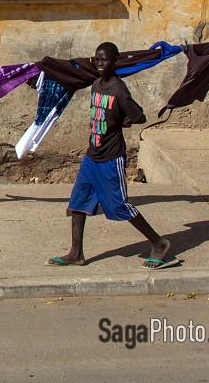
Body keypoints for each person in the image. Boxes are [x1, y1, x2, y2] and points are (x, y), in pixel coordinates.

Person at [49, 41, 175, 269]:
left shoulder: (119, 89)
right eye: (96, 59)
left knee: (119, 206)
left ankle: (159, 243)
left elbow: (139, 116)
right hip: (92, 155)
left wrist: (125, 121)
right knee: (78, 203)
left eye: (104, 59)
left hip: (111, 158)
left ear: (115, 62)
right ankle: (76, 253)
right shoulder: (96, 84)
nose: (99, 63)